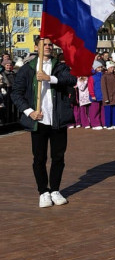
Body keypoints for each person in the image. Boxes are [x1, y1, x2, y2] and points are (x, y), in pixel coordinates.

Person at [11, 38, 76, 207]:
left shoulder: (60, 66)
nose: (47, 47)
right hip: (38, 121)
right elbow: (16, 93)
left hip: (57, 119)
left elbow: (71, 80)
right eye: (44, 44)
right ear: (36, 46)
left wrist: (50, 78)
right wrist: (29, 111)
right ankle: (43, 191)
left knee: (58, 156)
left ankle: (55, 189)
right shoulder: (27, 69)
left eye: (49, 45)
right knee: (39, 158)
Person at [101, 61, 115, 129]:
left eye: (113, 67)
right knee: (108, 111)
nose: (112, 69)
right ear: (108, 68)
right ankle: (108, 124)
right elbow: (104, 88)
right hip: (108, 97)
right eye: (111, 67)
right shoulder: (104, 77)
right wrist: (106, 98)